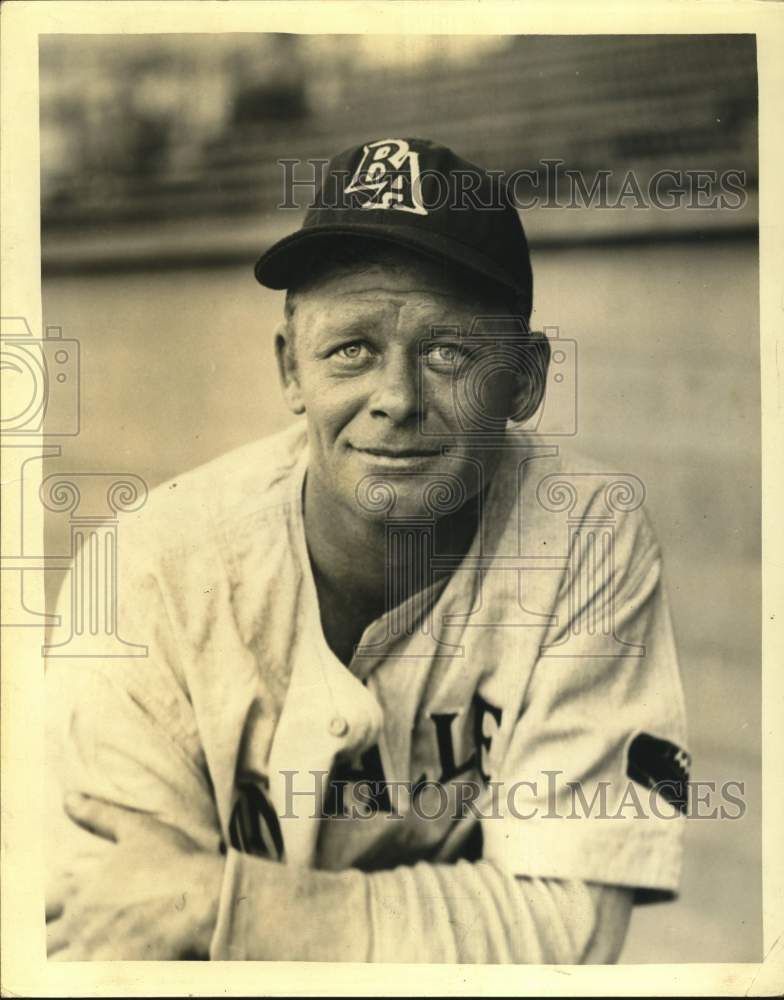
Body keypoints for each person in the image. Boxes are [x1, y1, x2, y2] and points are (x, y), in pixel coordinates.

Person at [45, 137, 689, 962]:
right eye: (351, 349)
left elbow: (569, 932)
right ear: (291, 371)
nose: (396, 399)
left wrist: (220, 904)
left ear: (525, 379)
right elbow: (112, 928)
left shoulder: (586, 537)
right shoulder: (147, 567)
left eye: (449, 353)